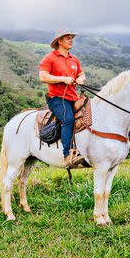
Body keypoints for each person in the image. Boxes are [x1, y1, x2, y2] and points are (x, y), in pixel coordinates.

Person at [39, 30, 86, 167]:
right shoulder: (50, 58)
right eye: (68, 38)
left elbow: (81, 73)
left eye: (72, 38)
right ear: (59, 41)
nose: (71, 40)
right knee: (68, 119)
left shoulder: (73, 59)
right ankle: (67, 156)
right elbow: (43, 76)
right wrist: (63, 79)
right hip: (57, 98)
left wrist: (80, 78)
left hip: (73, 97)